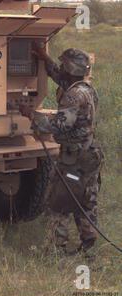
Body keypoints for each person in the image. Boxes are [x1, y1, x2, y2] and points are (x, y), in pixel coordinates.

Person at [19, 44, 104, 257]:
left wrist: (32, 115)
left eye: (64, 65)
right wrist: (43, 56)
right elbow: (59, 76)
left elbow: (59, 125)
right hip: (89, 154)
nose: (62, 69)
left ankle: (55, 251)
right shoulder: (85, 88)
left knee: (59, 202)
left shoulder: (74, 96)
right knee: (86, 199)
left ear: (70, 69)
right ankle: (88, 242)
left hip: (75, 159)